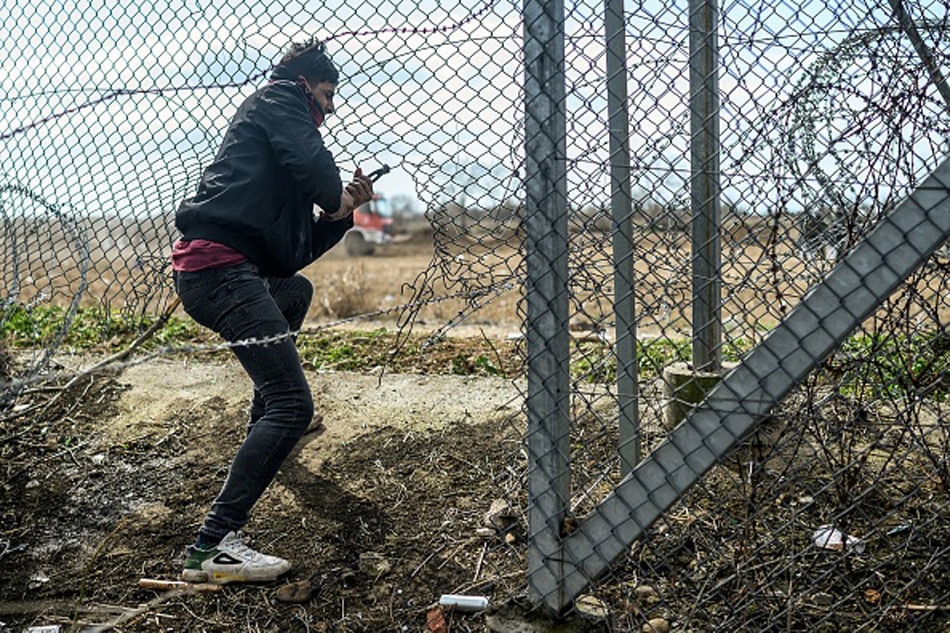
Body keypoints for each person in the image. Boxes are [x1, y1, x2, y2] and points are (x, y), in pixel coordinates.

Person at [169, 38, 373, 584]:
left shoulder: (274, 155)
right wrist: (332, 194)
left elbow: (291, 254)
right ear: (306, 84)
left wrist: (341, 213)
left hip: (234, 273)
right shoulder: (278, 99)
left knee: (294, 293)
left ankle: (268, 428)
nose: (331, 110)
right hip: (220, 274)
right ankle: (212, 546)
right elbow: (318, 172)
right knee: (294, 405)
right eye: (327, 95)